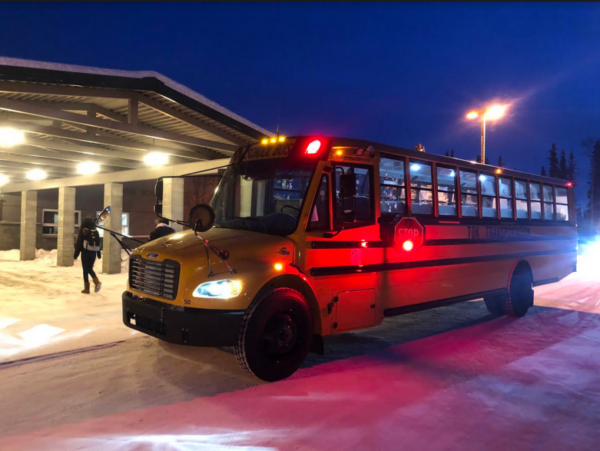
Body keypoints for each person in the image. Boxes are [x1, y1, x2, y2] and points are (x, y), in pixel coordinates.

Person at [73, 217, 102, 294]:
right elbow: (99, 243)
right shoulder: (96, 231)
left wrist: (75, 255)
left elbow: (79, 244)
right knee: (89, 268)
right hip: (93, 253)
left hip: (85, 253)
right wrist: (99, 254)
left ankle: (87, 288)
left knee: (85, 270)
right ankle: (96, 282)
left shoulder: (83, 231)